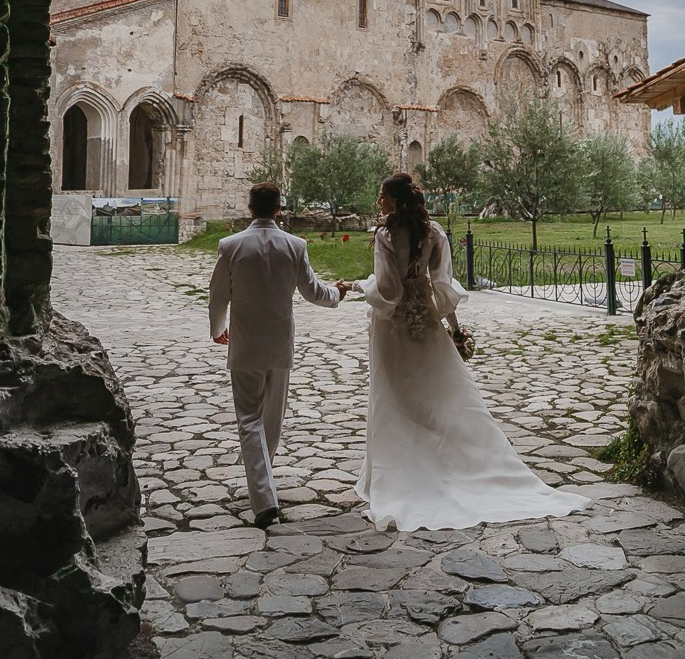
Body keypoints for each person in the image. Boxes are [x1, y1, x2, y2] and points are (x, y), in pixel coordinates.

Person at [343, 172, 591, 532]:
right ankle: (448, 466)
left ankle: (405, 474)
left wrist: (358, 286)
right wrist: (454, 329)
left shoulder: (386, 235)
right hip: (427, 322)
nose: (379, 202)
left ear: (395, 199)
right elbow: (441, 287)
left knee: (394, 397)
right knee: (439, 396)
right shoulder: (433, 232)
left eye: (382, 196)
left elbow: (388, 290)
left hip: (393, 328)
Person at [209, 181, 349, 529]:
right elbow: (312, 291)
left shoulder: (231, 246)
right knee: (272, 419)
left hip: (246, 342)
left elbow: (218, 293)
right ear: (278, 209)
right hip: (279, 342)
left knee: (249, 419)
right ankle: (264, 487)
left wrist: (217, 328)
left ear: (250, 207)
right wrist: (337, 294)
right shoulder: (295, 245)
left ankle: (263, 494)